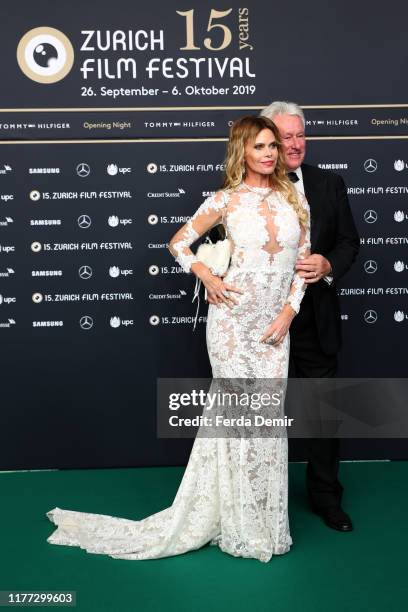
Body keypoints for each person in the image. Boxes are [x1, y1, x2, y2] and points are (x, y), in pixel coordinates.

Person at [45, 116, 310, 562]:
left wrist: (290, 310)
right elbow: (178, 243)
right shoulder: (224, 200)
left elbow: (303, 265)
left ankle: (262, 523)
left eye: (273, 146)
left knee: (266, 424)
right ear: (242, 152)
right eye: (259, 146)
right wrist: (206, 273)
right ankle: (241, 526)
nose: (269, 153)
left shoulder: (295, 200)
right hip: (230, 327)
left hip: (274, 330)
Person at [260, 101, 360, 531]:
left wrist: (328, 265)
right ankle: (261, 499)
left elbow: (348, 242)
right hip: (263, 323)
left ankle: (325, 497)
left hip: (314, 318)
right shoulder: (244, 188)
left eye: (301, 135)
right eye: (286, 137)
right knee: (261, 414)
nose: (295, 144)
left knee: (321, 411)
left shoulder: (328, 183)